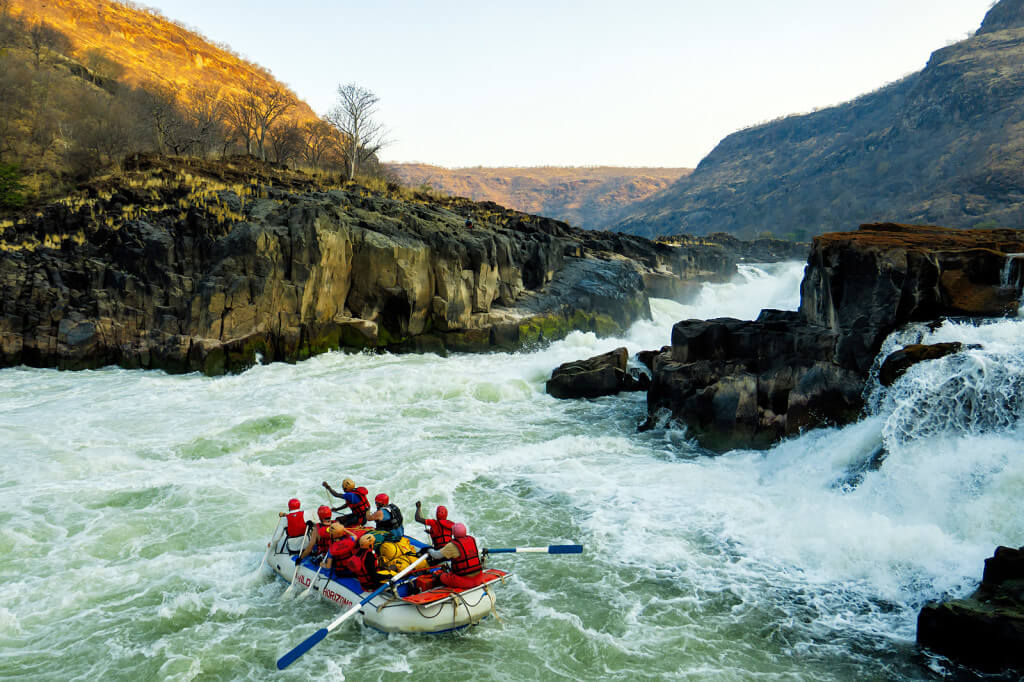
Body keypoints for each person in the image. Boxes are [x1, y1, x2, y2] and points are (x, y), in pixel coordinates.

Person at [425, 522, 485, 589]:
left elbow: (436, 555)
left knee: (439, 577)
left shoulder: (453, 545)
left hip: (464, 581)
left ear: (453, 532)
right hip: (479, 577)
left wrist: (429, 550)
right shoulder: (472, 540)